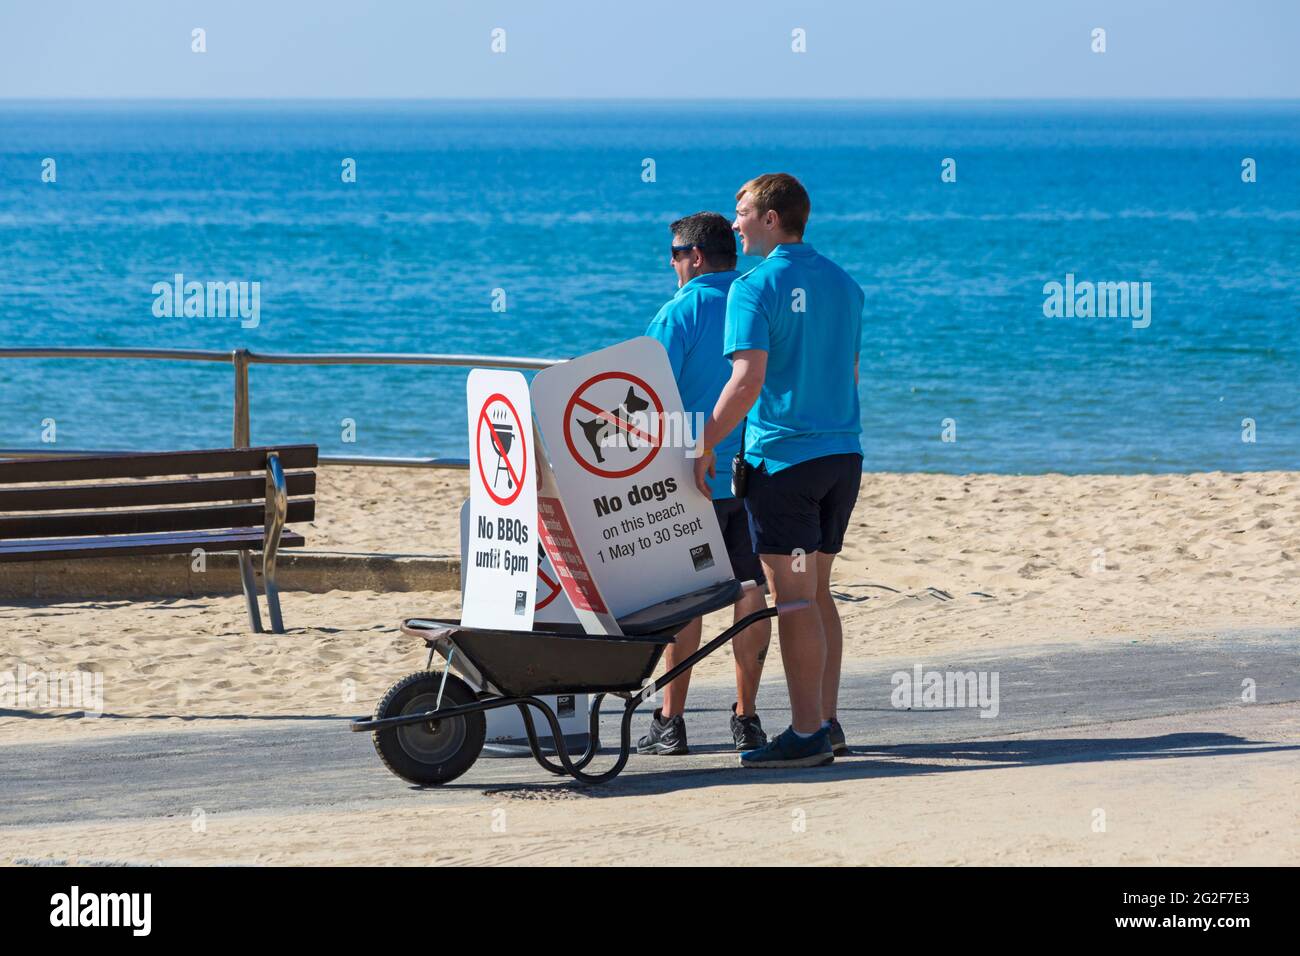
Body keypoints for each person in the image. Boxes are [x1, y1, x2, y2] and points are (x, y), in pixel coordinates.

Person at [693, 174, 864, 769]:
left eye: (742, 213)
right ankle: (828, 721)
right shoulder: (845, 284)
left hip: (786, 463)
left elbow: (746, 383)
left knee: (792, 601)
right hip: (843, 457)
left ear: (771, 218)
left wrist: (703, 443)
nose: (734, 224)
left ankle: (806, 732)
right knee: (816, 593)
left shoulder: (754, 286)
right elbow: (851, 375)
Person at [636, 211, 773, 756]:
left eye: (673, 252)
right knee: (751, 592)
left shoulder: (680, 310)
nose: (669, 262)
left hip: (691, 477)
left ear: (694, 256)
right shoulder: (755, 299)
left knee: (684, 598)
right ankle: (747, 717)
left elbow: (642, 398)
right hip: (755, 471)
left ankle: (671, 722)